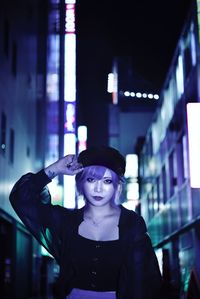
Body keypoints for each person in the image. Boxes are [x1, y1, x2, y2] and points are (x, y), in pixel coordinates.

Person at [9, 146, 162, 299]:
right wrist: (55, 168)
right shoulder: (66, 221)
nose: (98, 188)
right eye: (91, 179)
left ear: (118, 185)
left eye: (107, 181)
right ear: (81, 183)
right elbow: (21, 198)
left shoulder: (132, 224)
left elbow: (147, 282)